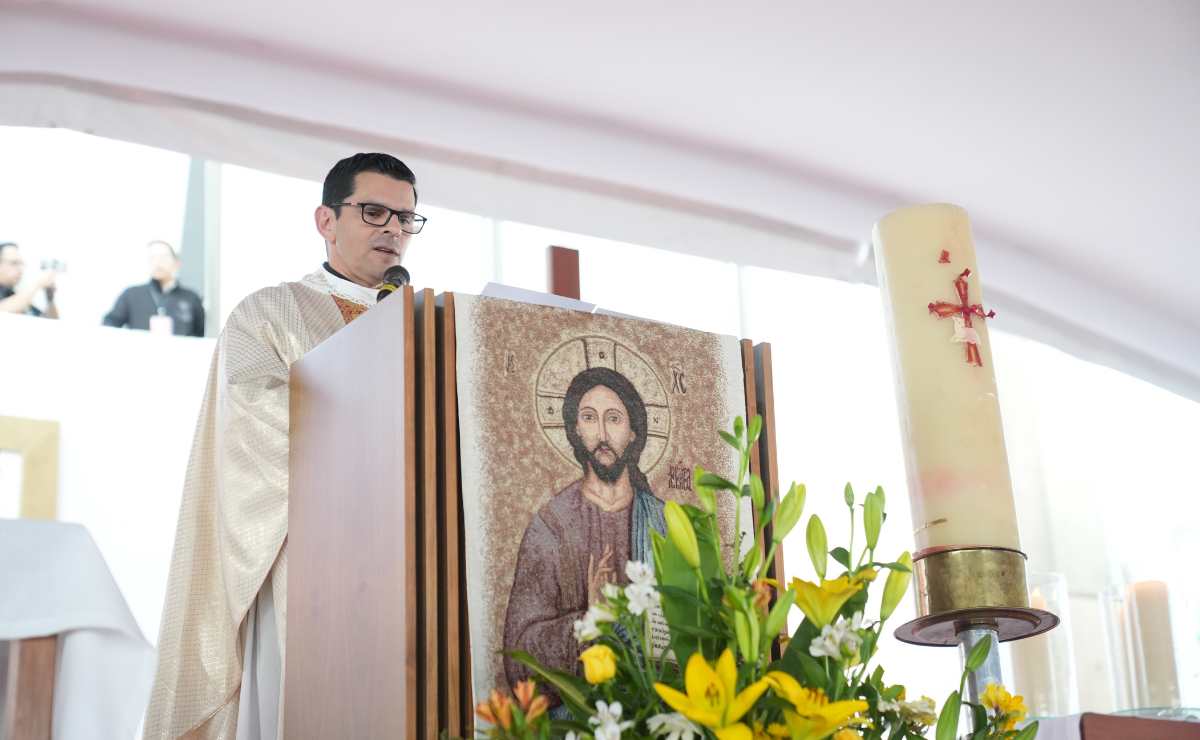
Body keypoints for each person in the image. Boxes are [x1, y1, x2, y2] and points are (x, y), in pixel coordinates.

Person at [143, 153, 426, 740]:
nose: (393, 229)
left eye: (405, 218)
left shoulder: (427, 323)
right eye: (374, 212)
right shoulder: (270, 312)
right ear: (325, 220)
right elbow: (254, 414)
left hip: (416, 556)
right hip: (310, 557)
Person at [502, 366, 667, 698]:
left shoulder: (663, 522)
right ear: (576, 430)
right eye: (590, 418)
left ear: (633, 431)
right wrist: (590, 620)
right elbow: (518, 657)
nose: (603, 434)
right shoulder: (552, 526)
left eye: (614, 419)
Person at [103, 241, 206, 336]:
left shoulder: (191, 298)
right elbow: (109, 325)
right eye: (152, 258)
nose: (157, 263)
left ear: (177, 262)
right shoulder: (131, 295)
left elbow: (200, 333)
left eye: (163, 257)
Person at [0, 242, 59, 318]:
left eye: (21, 264)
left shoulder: (13, 295)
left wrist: (50, 299)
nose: (20, 269)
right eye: (14, 263)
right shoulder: (18, 301)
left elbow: (50, 320)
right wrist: (38, 283)